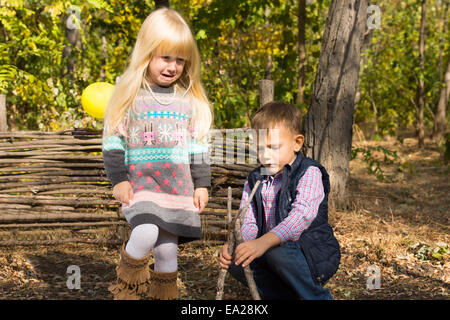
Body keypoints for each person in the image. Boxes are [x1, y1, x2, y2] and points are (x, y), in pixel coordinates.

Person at [102, 7, 212, 300]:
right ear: (147, 53)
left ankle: (164, 297)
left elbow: (197, 146)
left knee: (167, 251)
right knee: (146, 232)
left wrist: (201, 184)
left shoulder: (189, 101)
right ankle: (124, 292)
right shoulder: (131, 96)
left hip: (177, 190)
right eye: (165, 57)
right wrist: (119, 180)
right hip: (142, 186)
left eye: (179, 59)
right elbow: (114, 142)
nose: (172, 66)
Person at [219, 101, 340, 300]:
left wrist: (263, 243)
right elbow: (248, 220)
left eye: (273, 147)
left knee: (278, 252)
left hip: (310, 255)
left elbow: (300, 217)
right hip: (271, 254)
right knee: (235, 258)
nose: (265, 155)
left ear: (297, 143)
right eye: (260, 148)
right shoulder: (255, 178)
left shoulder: (309, 172)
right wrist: (238, 245)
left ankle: (316, 296)